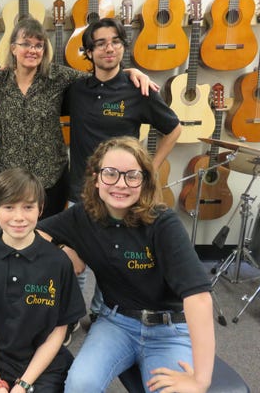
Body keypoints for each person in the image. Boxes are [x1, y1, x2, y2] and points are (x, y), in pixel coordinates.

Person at [37, 137, 215, 393]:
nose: (120, 184)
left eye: (132, 176)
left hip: (169, 331)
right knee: (79, 385)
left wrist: (201, 379)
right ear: (96, 178)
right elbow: (33, 235)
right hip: (115, 323)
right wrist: (64, 250)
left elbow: (199, 298)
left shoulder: (163, 224)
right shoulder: (82, 216)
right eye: (110, 174)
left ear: (144, 181)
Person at [64, 17, 182, 324]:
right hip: (80, 189)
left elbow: (173, 129)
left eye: (115, 41)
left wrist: (149, 171)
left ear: (122, 46)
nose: (108, 48)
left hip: (120, 193)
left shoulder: (137, 90)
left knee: (112, 259)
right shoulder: (75, 89)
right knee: (75, 262)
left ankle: (102, 313)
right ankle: (73, 315)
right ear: (88, 52)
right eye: (100, 43)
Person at [0, 17, 154, 219]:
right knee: (13, 237)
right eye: (26, 44)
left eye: (39, 45)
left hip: (50, 179)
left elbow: (100, 77)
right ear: (13, 48)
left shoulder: (58, 77)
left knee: (49, 239)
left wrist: (130, 72)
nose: (33, 50)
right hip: (9, 177)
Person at [0, 168, 85, 393]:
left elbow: (59, 329)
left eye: (28, 207)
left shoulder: (58, 262)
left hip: (43, 364)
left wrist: (23, 385)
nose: (19, 217)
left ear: (41, 209)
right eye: (9, 207)